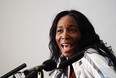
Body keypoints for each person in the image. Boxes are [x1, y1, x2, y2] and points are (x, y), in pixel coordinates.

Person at [48, 10, 116, 78]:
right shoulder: (62, 65)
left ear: (83, 34)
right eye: (60, 31)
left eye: (72, 30)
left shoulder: (90, 56)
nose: (64, 36)